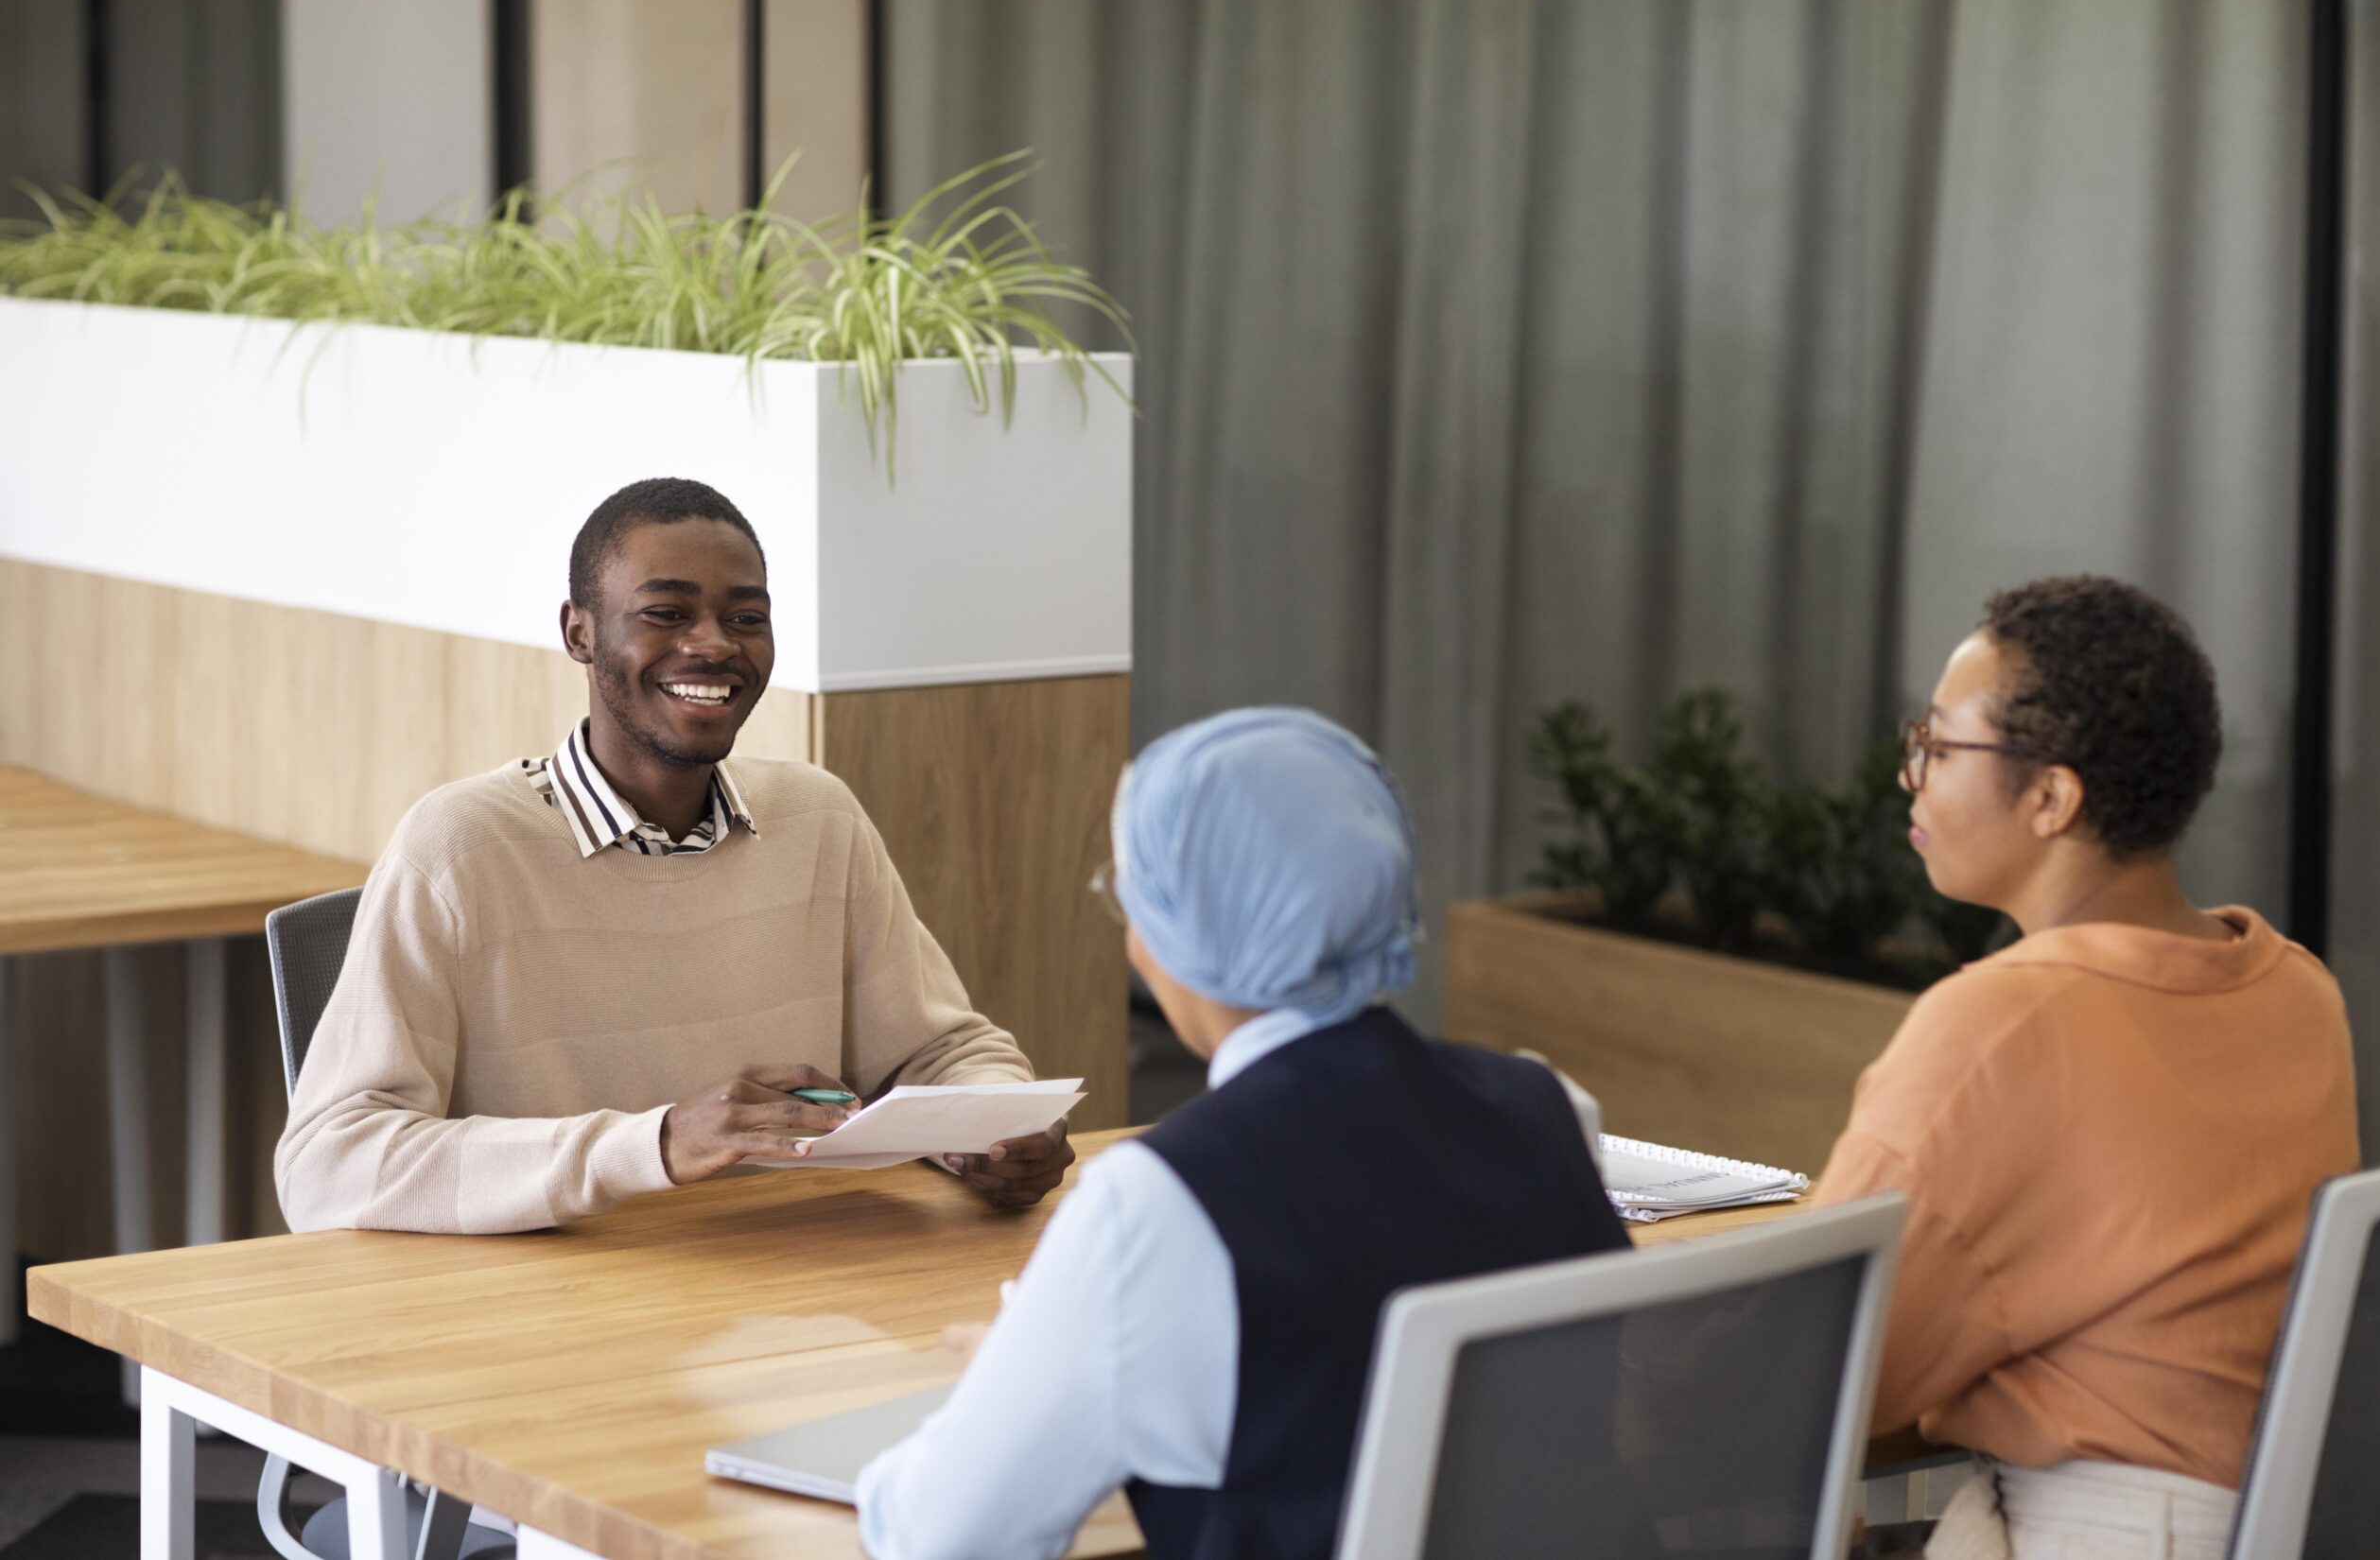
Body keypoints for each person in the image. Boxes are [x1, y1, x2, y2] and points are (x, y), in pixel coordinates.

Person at [856, 706, 1625, 1560]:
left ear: (1167, 940)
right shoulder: (1545, 1106)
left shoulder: (1159, 1199)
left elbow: (938, 1536)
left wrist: (1017, 1378)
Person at [276, 478, 1074, 1234]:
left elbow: (940, 1052)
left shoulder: (819, 820)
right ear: (579, 632)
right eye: (666, 612)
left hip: (798, 1282)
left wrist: (997, 1124)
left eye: (746, 617)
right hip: (555, 1303)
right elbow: (327, 1164)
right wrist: (655, 1145)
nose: (713, 644)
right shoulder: (458, 847)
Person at [1815, 576, 2358, 1559]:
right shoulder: (2297, 992)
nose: (1909, 775)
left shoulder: (2000, 1024)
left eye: (1940, 746)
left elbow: (1821, 1356)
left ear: (2051, 798)